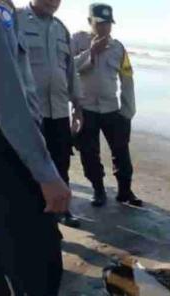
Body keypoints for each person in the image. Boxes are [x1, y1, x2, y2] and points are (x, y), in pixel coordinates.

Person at [0, 0, 71, 294]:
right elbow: (8, 99)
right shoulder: (1, 12)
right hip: (7, 152)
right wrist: (45, 173)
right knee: (40, 264)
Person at [16, 0, 82, 228]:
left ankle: (62, 211)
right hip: (29, 114)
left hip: (59, 112)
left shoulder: (61, 29)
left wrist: (78, 107)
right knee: (30, 166)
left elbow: (70, 71)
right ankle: (35, 216)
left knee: (61, 163)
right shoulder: (15, 19)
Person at [71, 3, 142, 207]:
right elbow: (67, 69)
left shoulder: (118, 47)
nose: (104, 28)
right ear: (89, 22)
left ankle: (125, 191)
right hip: (86, 109)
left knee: (121, 151)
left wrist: (128, 111)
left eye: (108, 24)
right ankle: (98, 190)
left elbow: (127, 79)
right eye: (100, 23)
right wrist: (90, 53)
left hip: (112, 109)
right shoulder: (77, 41)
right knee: (89, 152)